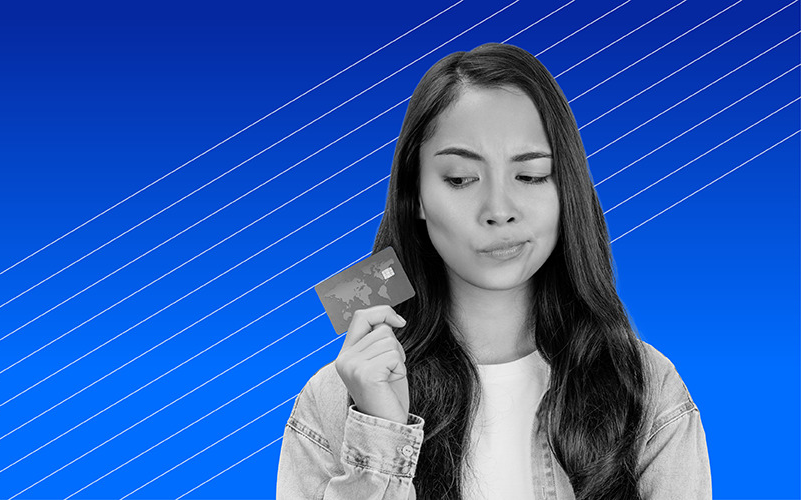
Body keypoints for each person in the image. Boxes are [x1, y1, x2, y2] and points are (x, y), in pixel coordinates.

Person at [275, 43, 710, 499]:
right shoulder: (332, 401)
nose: (499, 210)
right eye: (460, 179)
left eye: (532, 175)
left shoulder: (647, 388)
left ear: (567, 191)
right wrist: (381, 434)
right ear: (416, 195)